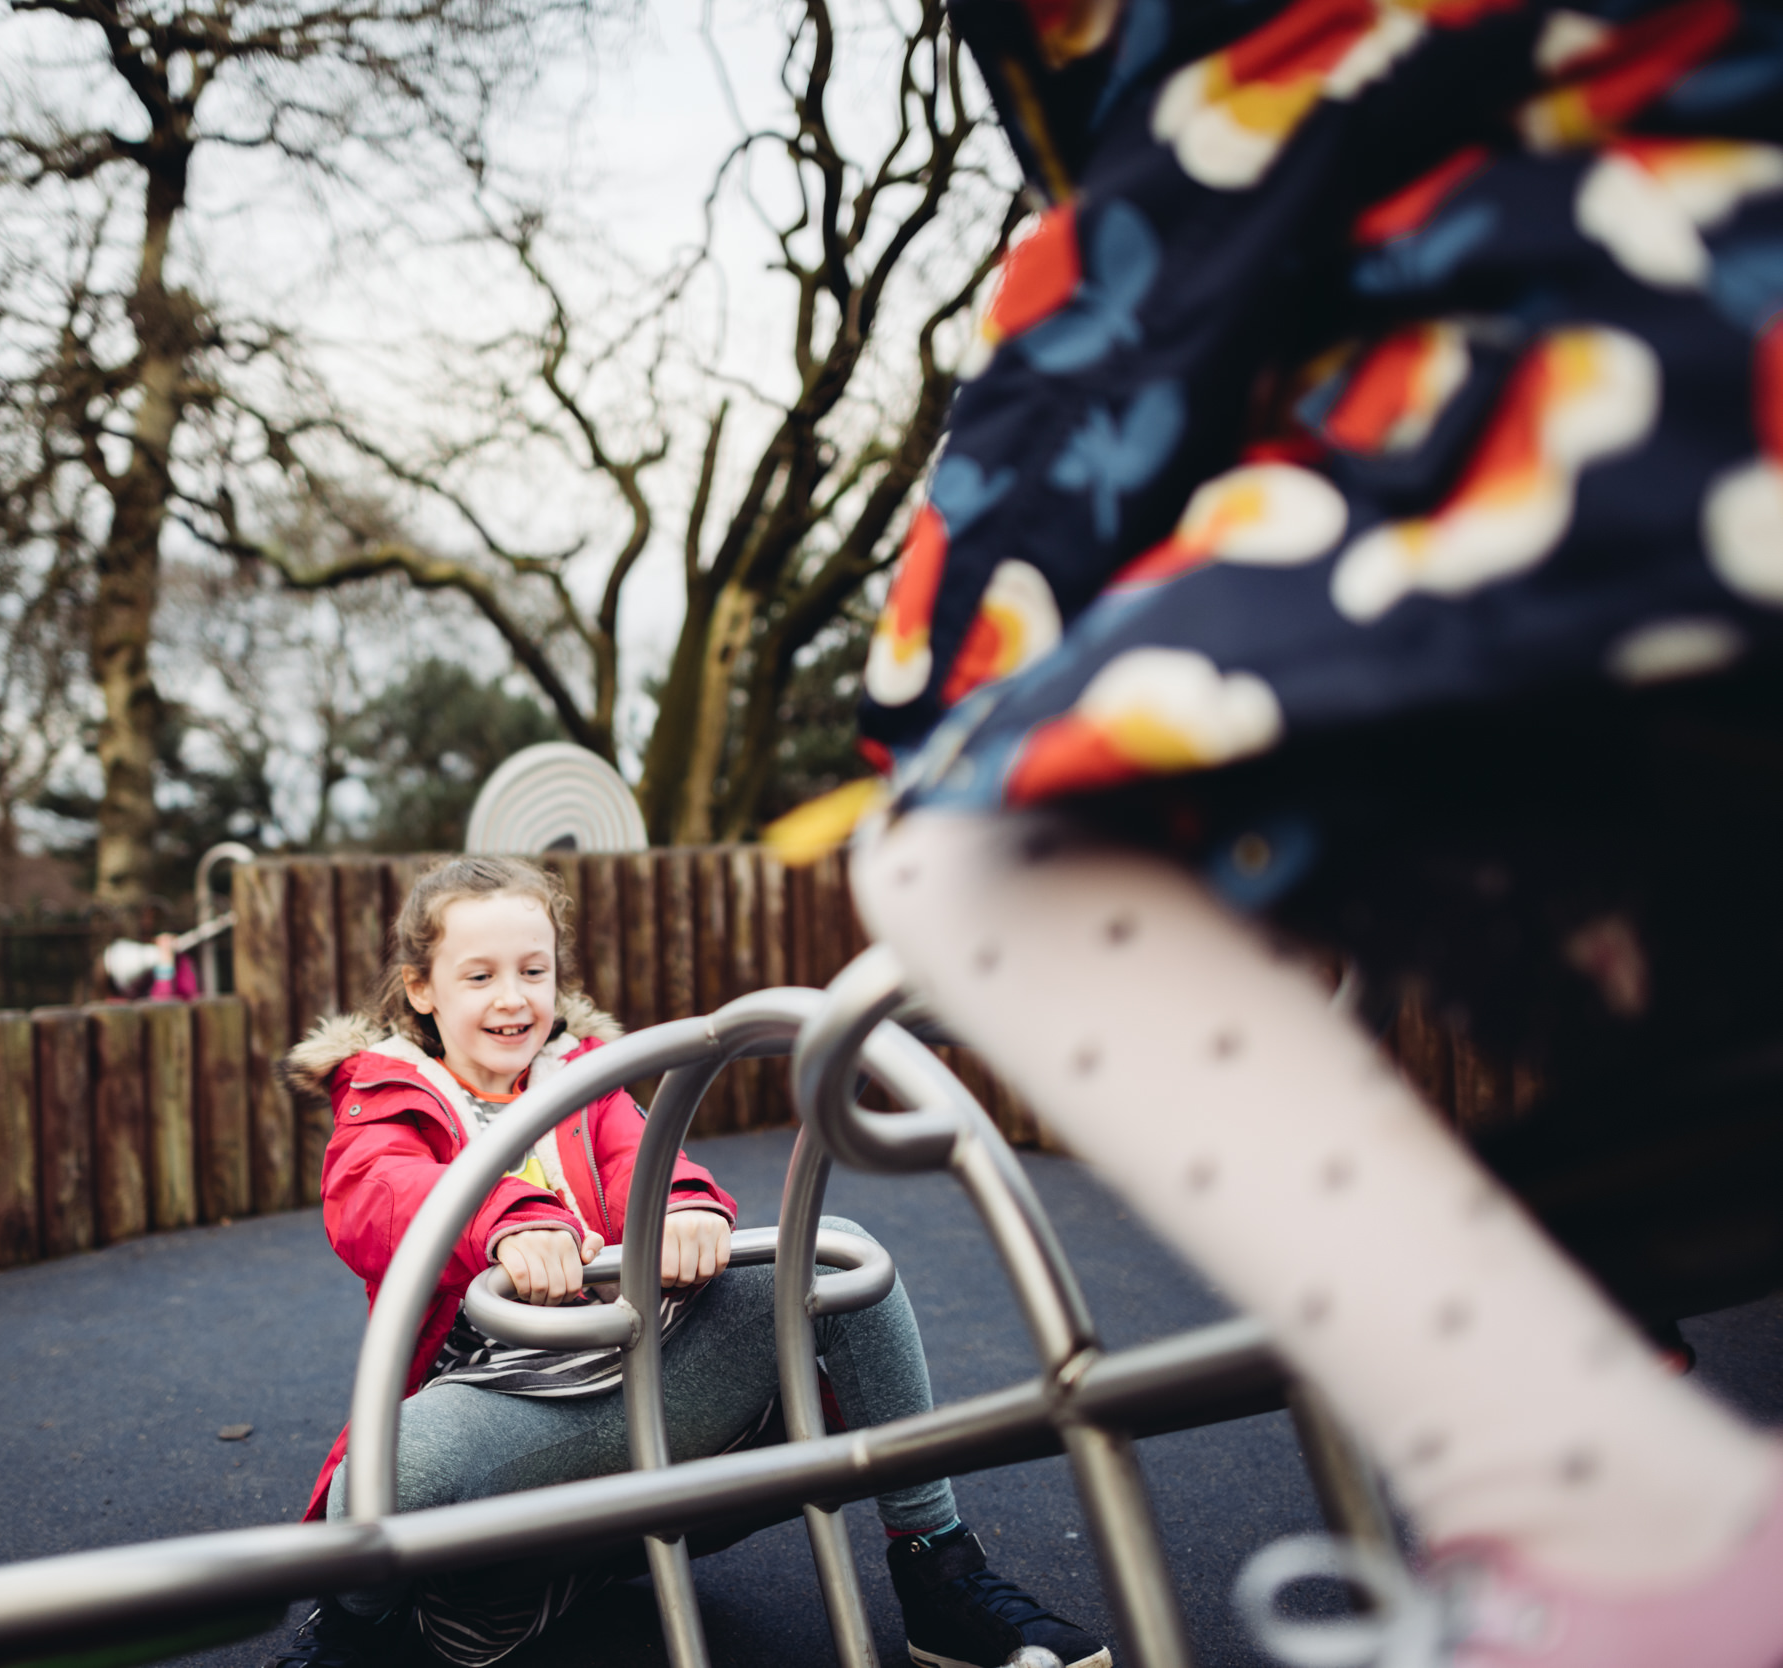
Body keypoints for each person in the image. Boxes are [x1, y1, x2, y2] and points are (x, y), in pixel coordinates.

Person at [840, 0, 1783, 1660]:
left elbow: (1127, 323)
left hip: (1649, 355)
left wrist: (946, 677)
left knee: (968, 843)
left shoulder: (1253, 71)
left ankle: (1606, 1519)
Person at [268, 855, 1107, 1668]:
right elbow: (381, 1191)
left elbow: (645, 1155)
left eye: (533, 971)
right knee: (383, 1471)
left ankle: (938, 1570)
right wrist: (507, 1219)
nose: (512, 999)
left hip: (638, 1365)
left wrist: (682, 1206)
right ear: (422, 989)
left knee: (836, 1261)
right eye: (478, 976)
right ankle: (360, 1633)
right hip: (508, 1397)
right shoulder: (388, 1097)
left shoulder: (583, 1079)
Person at [103, 931, 199, 1002]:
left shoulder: (147, 981)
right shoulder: (119, 1004)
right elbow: (161, 1008)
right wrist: (165, 970)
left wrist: (172, 956)